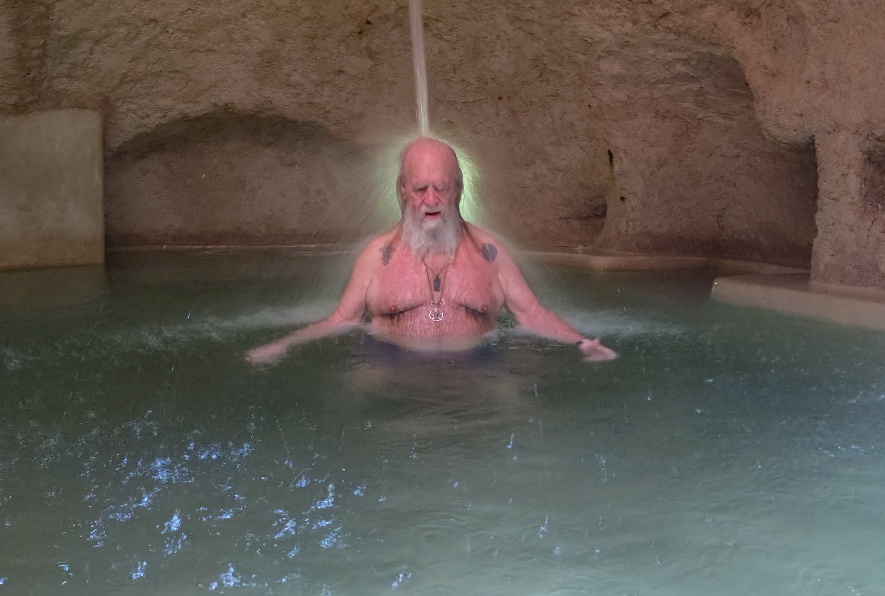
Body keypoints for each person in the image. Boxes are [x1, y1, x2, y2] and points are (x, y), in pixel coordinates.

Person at [247, 137, 617, 365]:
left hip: (480, 366)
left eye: (441, 188)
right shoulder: (377, 256)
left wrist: (581, 342)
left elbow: (531, 313)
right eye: (420, 188)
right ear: (403, 190)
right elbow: (340, 320)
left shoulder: (491, 252)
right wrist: (284, 344)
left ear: (458, 189)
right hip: (388, 366)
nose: (431, 200)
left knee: (517, 405)